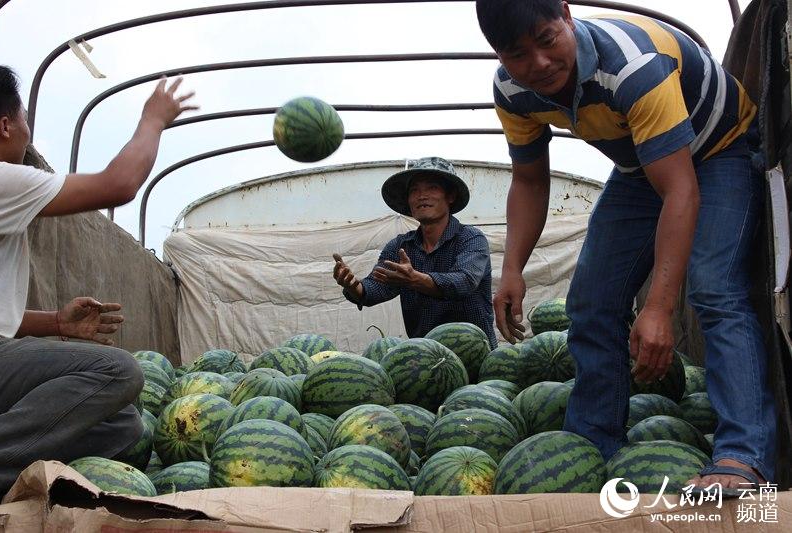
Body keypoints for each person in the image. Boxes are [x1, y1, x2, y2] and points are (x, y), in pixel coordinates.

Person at [476, 0, 775, 492]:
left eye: (548, 40)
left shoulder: (634, 66)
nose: (539, 64)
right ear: (497, 53)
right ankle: (592, 448)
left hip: (719, 149)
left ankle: (743, 456)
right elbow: (529, 182)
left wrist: (657, 307)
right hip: (642, 164)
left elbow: (681, 189)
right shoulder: (512, 90)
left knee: (714, 291)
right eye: (517, 53)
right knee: (592, 302)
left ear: (568, 16)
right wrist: (511, 269)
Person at [0, 64, 196, 510]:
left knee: (124, 426)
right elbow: (119, 184)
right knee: (118, 371)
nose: (26, 131)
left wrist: (56, 322)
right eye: (23, 119)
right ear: (5, 126)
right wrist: (154, 119)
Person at [332, 156, 498, 348]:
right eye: (414, 190)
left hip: (475, 355)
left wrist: (416, 280)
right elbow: (378, 286)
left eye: (432, 188)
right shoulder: (400, 246)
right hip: (424, 360)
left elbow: (464, 282)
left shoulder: (470, 239)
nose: (422, 196)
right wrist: (355, 287)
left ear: (450, 196)